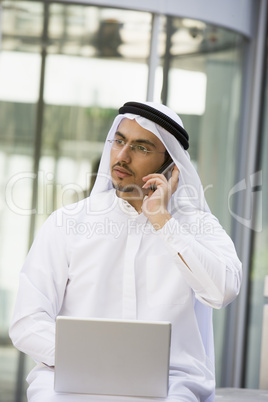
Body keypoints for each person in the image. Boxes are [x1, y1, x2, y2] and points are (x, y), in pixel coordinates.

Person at [9, 101, 242, 402]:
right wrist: (89, 360)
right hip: (71, 378)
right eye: (119, 141)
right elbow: (27, 321)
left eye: (141, 148)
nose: (121, 156)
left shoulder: (196, 225)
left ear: (171, 164)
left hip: (169, 385)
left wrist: (163, 221)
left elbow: (223, 290)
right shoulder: (68, 223)